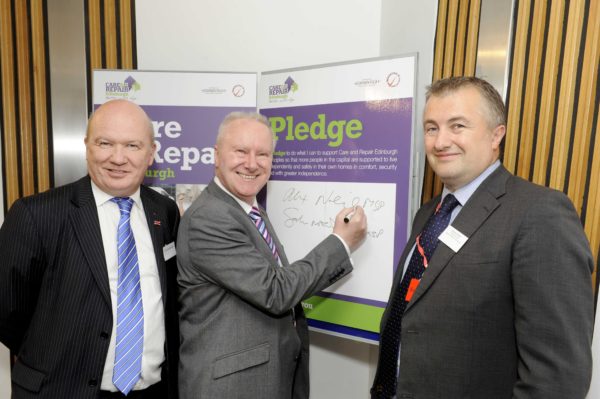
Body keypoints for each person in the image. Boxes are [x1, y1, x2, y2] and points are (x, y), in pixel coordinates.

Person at [371, 76, 594, 399]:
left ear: (496, 135)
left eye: (457, 126)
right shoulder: (428, 213)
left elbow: (557, 378)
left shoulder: (539, 214)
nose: (440, 141)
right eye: (431, 128)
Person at [177, 112, 367, 399]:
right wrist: (341, 242)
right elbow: (276, 291)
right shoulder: (209, 218)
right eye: (241, 151)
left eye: (262, 154)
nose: (252, 164)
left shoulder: (248, 210)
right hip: (231, 387)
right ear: (216, 156)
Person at [0, 99, 180, 398]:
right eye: (105, 143)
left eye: (132, 146)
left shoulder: (164, 211)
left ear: (151, 154)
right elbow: (7, 310)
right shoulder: (36, 214)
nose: (118, 158)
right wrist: (53, 357)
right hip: (62, 389)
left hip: (153, 390)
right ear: (87, 146)